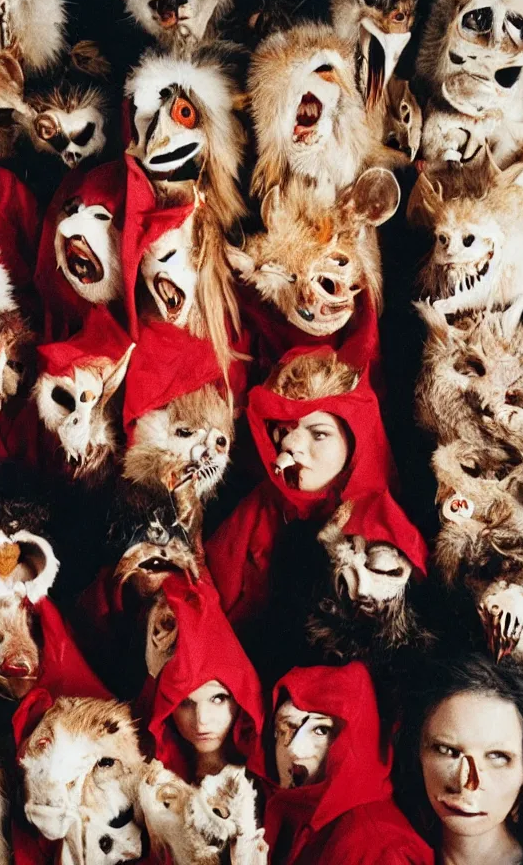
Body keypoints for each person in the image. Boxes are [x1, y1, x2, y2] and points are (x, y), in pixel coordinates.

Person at [206, 348, 427, 628]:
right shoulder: (260, 506)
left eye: (319, 433)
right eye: (285, 432)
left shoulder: (385, 530)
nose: (291, 445)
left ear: (354, 441)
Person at [263, 661, 433, 865]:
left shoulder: (379, 848)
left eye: (321, 731)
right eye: (286, 728)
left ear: (358, 739)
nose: (294, 749)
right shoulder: (295, 818)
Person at [395, 653, 523, 865]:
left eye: (497, 756)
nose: (467, 784)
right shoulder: (386, 851)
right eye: (447, 750)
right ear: (419, 752)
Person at [142, 575, 266, 784]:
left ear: (240, 697)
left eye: (218, 699)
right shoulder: (154, 780)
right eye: (184, 703)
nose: (202, 720)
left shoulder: (265, 782)